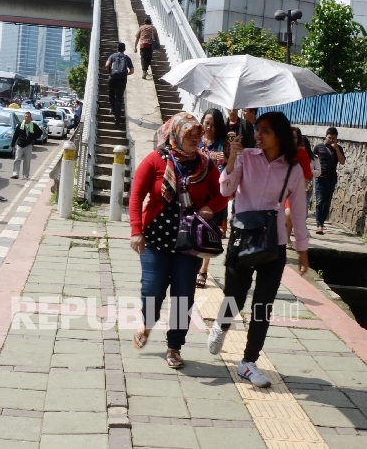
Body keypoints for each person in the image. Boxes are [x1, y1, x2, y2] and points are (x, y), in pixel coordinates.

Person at [208, 112, 310, 388]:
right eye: (257, 129)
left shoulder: (293, 169)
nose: (258, 135)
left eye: (264, 130)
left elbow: (299, 211)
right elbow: (226, 189)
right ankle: (222, 324)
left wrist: (302, 249)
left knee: (263, 304)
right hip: (242, 237)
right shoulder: (245, 157)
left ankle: (248, 363)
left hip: (273, 243)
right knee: (235, 298)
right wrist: (232, 158)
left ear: (279, 134)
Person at [129, 113, 227, 369]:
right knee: (152, 289)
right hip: (155, 240)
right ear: (175, 135)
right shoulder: (155, 160)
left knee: (183, 295)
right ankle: (147, 322)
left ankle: (174, 347)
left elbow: (222, 196)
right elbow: (136, 196)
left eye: (198, 135)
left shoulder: (206, 164)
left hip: (189, 243)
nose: (196, 139)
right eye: (189, 135)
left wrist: (208, 207)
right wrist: (136, 230)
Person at [196, 108, 229, 288]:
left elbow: (234, 164)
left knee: (210, 230)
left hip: (216, 193)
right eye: (206, 123)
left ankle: (203, 268)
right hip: (197, 190)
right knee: (194, 227)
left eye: (213, 125)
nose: (208, 127)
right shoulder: (196, 140)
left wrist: (227, 157)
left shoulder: (224, 144)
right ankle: (192, 262)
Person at [313, 127, 346, 235]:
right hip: (320, 178)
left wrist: (336, 149)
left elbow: (342, 162)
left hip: (331, 179)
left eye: (334, 138)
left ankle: (322, 222)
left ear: (337, 139)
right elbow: (312, 161)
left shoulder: (338, 148)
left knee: (326, 203)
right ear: (325, 136)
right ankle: (318, 225)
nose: (331, 140)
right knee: (319, 201)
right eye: (329, 138)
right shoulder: (319, 147)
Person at [105, 42, 134, 126]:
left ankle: (113, 109)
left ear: (117, 49)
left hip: (112, 78)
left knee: (111, 93)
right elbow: (132, 71)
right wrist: (126, 74)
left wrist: (110, 71)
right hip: (122, 80)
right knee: (118, 98)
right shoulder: (127, 58)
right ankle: (117, 118)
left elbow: (107, 65)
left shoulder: (112, 56)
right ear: (124, 49)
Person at [10, 111, 42, 180]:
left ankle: (25, 175)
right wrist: (13, 144)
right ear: (24, 117)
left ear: (30, 117)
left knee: (27, 161)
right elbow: (16, 135)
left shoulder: (33, 125)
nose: (26, 118)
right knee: (17, 159)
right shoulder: (20, 125)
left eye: (28, 116)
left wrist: (33, 139)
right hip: (20, 144)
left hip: (28, 145)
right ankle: (15, 174)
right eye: (25, 116)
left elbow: (40, 132)